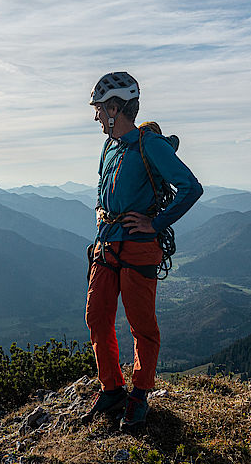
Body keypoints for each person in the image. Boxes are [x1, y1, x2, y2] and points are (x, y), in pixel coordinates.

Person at [83, 72, 203, 431]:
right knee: (97, 318)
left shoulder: (151, 145)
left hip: (138, 248)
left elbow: (191, 187)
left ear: (116, 108)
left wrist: (157, 222)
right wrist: (101, 211)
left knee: (142, 326)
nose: (96, 117)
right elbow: (105, 191)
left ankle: (140, 394)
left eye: (100, 109)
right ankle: (112, 388)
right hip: (107, 243)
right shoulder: (110, 146)